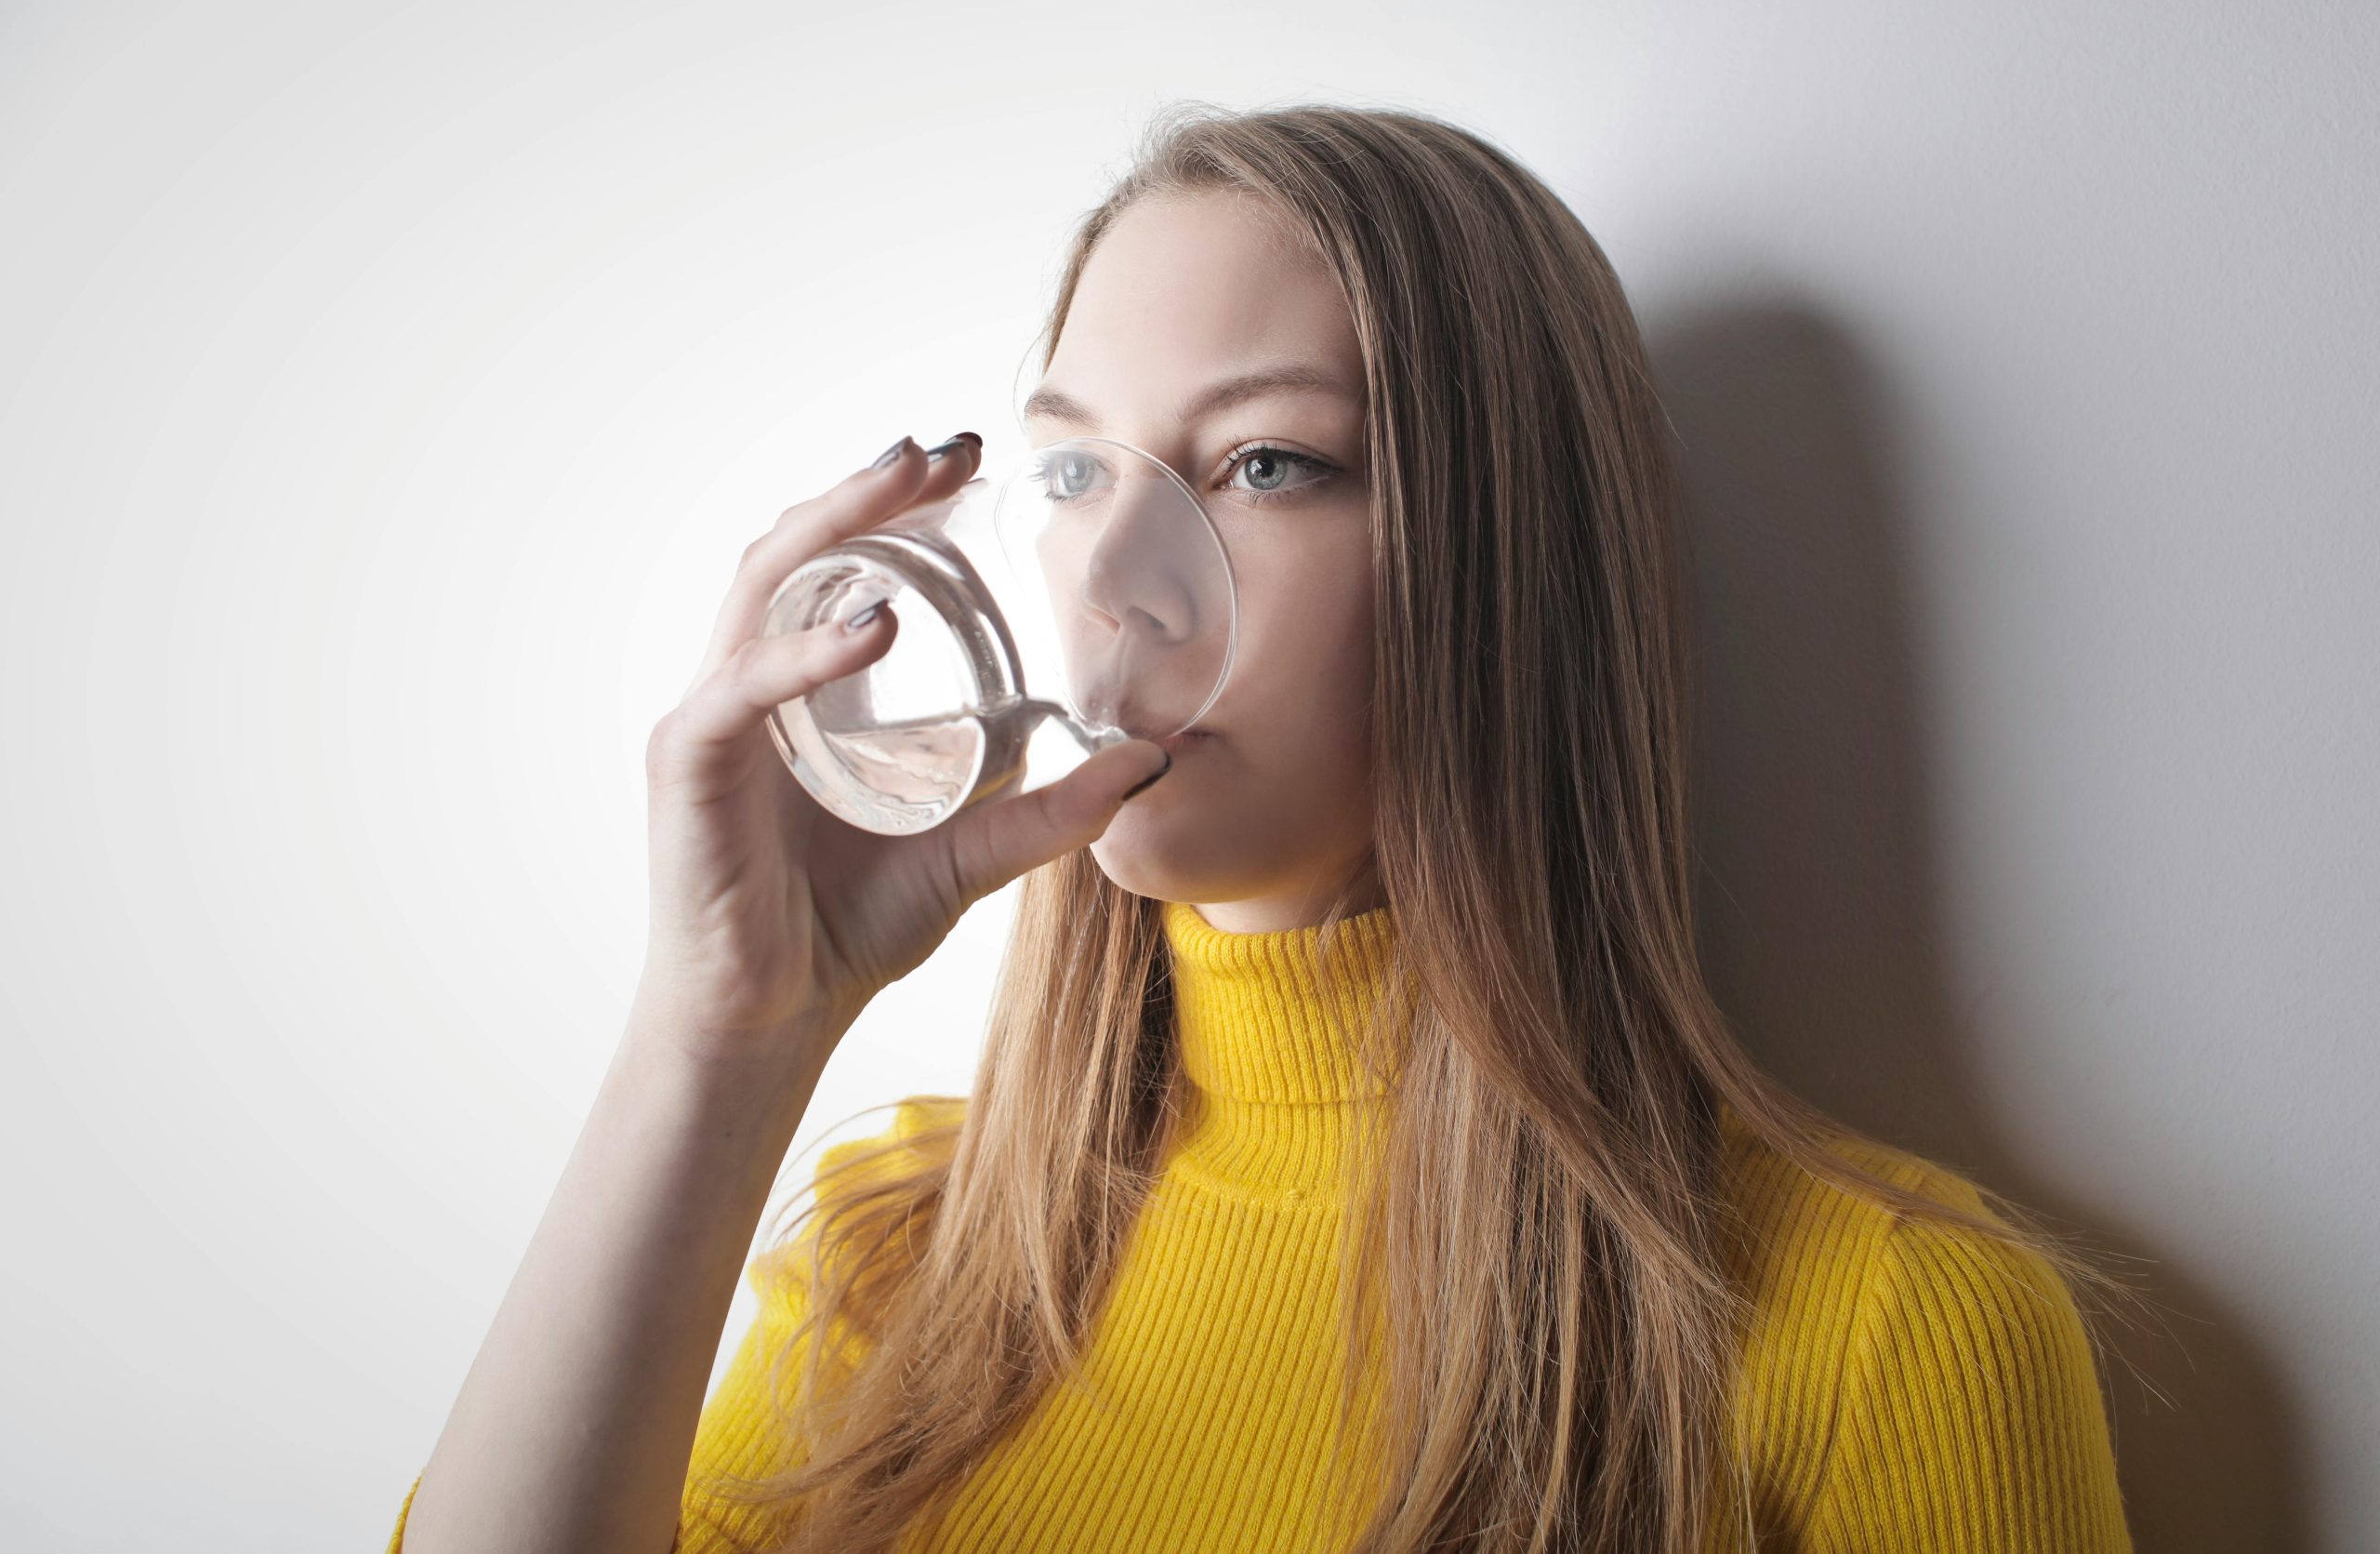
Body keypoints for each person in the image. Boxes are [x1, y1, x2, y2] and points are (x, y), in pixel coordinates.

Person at [387, 103, 2139, 1554]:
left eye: (1264, 467)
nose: (1111, 584)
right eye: (1073, 470)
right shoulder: (889, 1249)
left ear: (1509, 564)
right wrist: (721, 1035)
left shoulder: (1891, 1338)